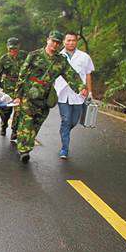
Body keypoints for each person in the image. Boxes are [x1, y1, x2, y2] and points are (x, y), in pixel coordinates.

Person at [13, 30, 87, 164]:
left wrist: (81, 88)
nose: (55, 45)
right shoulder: (34, 56)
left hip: (45, 98)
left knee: (37, 124)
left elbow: (71, 75)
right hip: (29, 96)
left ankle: (24, 142)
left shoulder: (61, 61)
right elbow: (22, 75)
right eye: (53, 41)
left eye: (58, 43)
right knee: (27, 122)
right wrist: (18, 95)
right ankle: (24, 150)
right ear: (48, 40)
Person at [54, 31, 95, 159]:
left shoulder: (84, 57)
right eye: (68, 40)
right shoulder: (57, 56)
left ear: (77, 41)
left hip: (79, 95)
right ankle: (64, 149)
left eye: (73, 40)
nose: (71, 42)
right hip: (62, 94)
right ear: (64, 42)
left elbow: (88, 74)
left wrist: (90, 91)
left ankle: (64, 131)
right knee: (66, 120)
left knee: (73, 121)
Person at [0, 37, 24, 140]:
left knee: (19, 110)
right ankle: (4, 124)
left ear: (18, 47)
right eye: (10, 49)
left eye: (15, 49)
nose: (13, 51)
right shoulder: (4, 58)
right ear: (7, 48)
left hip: (20, 87)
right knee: (5, 110)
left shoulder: (24, 56)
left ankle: (15, 131)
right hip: (8, 87)